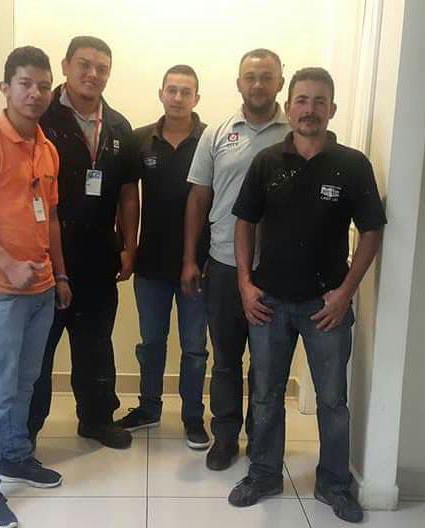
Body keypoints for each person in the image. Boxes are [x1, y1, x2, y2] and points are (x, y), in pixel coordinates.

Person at [229, 67, 386, 523]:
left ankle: (334, 484)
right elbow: (244, 222)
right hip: (269, 303)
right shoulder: (267, 162)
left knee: (333, 401)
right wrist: (245, 284)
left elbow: (372, 231)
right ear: (289, 106)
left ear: (332, 109)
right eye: (301, 100)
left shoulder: (352, 165)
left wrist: (346, 293)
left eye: (319, 101)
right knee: (265, 395)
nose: (309, 109)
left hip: (326, 307)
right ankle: (264, 474)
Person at [0, 46, 71, 528]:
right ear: (6, 88)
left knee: (26, 384)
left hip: (41, 291)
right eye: (25, 84)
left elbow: (51, 218)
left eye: (43, 86)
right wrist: (7, 264)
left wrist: (60, 275)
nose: (35, 93)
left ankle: (15, 455)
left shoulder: (47, 148)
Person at [27, 36, 139, 450]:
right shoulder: (41, 118)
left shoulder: (119, 127)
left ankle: (96, 419)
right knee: (39, 349)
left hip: (98, 254)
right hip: (46, 254)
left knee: (95, 343)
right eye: (84, 64)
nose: (93, 74)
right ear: (65, 66)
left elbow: (128, 192)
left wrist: (129, 246)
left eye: (102, 68)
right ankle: (25, 432)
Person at [182, 49, 289, 470]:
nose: (258, 84)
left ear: (280, 82)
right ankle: (224, 438)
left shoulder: (294, 133)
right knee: (225, 360)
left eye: (267, 77)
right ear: (239, 83)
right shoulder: (217, 134)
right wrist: (190, 259)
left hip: (277, 270)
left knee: (266, 366)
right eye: (250, 77)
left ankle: (260, 440)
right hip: (224, 264)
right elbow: (199, 197)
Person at [115, 65, 210, 449]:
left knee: (194, 348)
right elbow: (128, 197)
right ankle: (149, 408)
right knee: (151, 342)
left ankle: (193, 417)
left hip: (198, 264)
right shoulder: (141, 140)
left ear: (196, 98)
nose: (178, 97)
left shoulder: (210, 140)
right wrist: (128, 247)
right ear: (161, 93)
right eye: (172, 90)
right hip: (151, 262)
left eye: (186, 91)